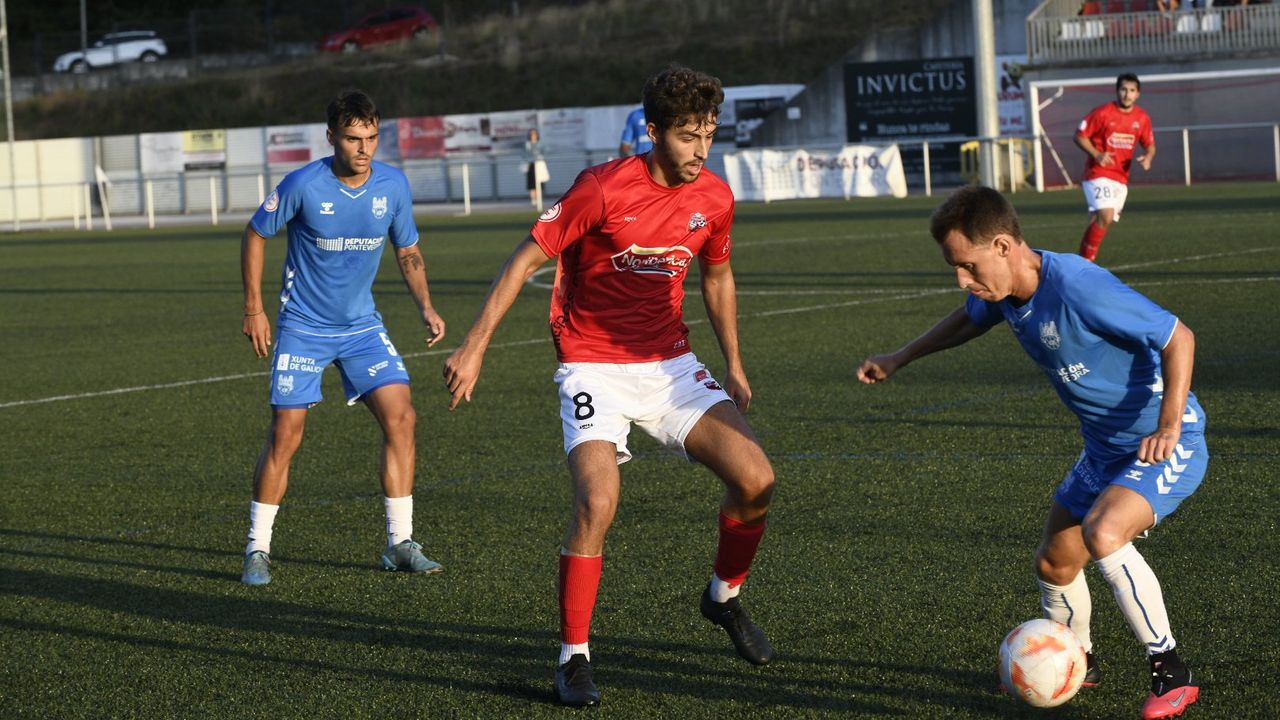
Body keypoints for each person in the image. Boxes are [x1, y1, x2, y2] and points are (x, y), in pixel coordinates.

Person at [443, 66, 776, 707]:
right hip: (591, 364)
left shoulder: (714, 197)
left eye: (708, 134)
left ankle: (723, 599)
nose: (700, 150)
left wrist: (733, 364)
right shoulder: (601, 188)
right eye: (686, 136)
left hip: (670, 365)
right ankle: (573, 658)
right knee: (598, 502)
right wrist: (475, 345)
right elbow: (527, 256)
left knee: (756, 479)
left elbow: (717, 278)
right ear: (652, 132)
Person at [856, 186, 1205, 720]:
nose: (963, 281)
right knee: (1055, 560)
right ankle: (1075, 661)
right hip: (1105, 448)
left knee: (1104, 534)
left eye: (968, 266)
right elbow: (967, 318)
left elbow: (1179, 337)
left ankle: (1172, 670)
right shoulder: (1006, 292)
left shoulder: (1077, 287)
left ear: (1002, 245)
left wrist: (1167, 425)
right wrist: (900, 357)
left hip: (1164, 439)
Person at [238, 90, 447, 586]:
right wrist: (254, 308)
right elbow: (255, 233)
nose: (363, 148)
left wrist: (426, 305)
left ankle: (399, 543)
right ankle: (257, 549)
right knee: (286, 433)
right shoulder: (303, 185)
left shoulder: (393, 186)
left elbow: (409, 248)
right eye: (353, 138)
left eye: (371, 137)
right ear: (331, 136)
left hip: (362, 328)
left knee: (403, 417)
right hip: (302, 327)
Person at [1074, 73, 1156, 262]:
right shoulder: (1102, 113)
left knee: (1100, 220)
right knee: (1106, 215)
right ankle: (1087, 266)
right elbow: (1079, 135)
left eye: (1132, 91)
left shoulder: (1141, 118)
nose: (1127, 94)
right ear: (1117, 91)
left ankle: (1081, 263)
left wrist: (1148, 157)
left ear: (1138, 94)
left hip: (1120, 178)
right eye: (1124, 89)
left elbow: (1150, 144)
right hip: (1097, 173)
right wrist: (1097, 155)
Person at [523, 128, 549, 207]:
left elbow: (545, 152)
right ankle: (533, 200)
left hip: (539, 165)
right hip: (531, 165)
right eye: (531, 134)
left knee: (540, 182)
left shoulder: (541, 144)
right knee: (531, 183)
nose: (532, 136)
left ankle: (539, 200)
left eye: (534, 134)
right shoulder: (527, 144)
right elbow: (525, 154)